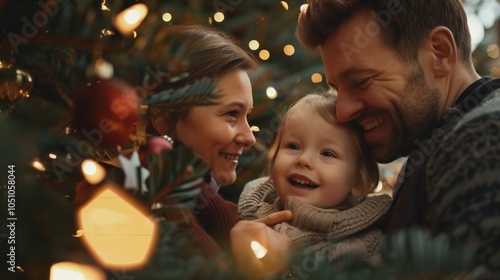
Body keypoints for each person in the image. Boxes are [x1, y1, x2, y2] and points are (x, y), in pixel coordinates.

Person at [296, 1, 500, 278]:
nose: (342, 111)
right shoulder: (444, 142)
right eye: (336, 88)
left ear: (439, 53)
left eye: (362, 81)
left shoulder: (482, 140)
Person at [74, 25, 292, 261]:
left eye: (247, 116)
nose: (249, 137)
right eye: (231, 114)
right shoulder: (118, 197)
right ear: (163, 116)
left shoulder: (201, 202)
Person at [238, 92, 391, 264]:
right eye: (293, 146)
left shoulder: (362, 247)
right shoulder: (250, 210)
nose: (303, 160)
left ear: (359, 180)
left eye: (327, 153)